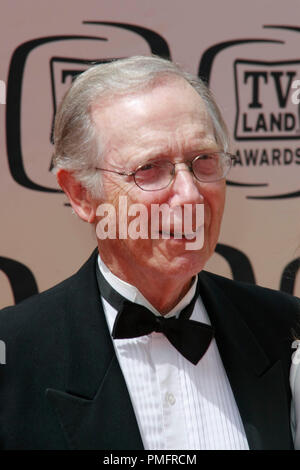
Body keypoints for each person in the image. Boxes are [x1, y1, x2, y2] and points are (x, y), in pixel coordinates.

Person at [0, 56, 299, 450]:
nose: (191, 195)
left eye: (203, 160)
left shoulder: (286, 334)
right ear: (81, 194)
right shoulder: (14, 360)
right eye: (149, 168)